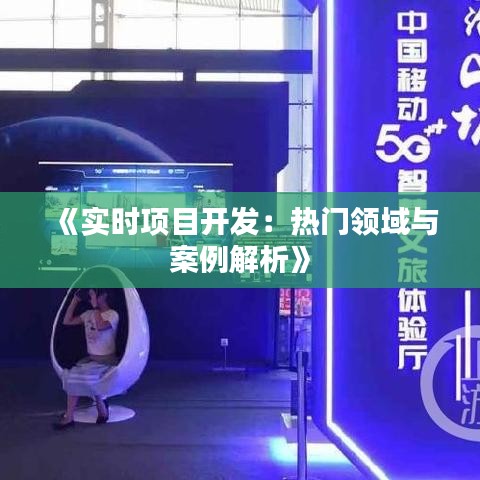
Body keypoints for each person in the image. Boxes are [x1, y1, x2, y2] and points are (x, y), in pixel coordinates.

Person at [53, 288, 119, 430]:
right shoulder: (88, 314)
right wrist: (75, 300)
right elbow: (67, 321)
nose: (91, 298)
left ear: (104, 296)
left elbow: (100, 326)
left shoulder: (112, 314)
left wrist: (95, 307)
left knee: (77, 377)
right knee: (74, 376)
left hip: (105, 361)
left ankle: (71, 417)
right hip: (91, 361)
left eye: (95, 295)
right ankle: (99, 411)